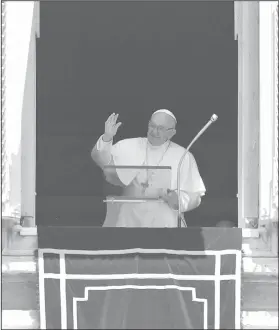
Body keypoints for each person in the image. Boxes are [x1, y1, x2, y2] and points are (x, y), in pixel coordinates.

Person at [91, 110, 206, 227]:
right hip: (128, 220)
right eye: (152, 126)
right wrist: (107, 138)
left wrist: (178, 200)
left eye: (160, 128)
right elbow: (102, 161)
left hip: (163, 223)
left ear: (171, 133)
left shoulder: (183, 156)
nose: (154, 131)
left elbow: (195, 195)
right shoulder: (129, 145)